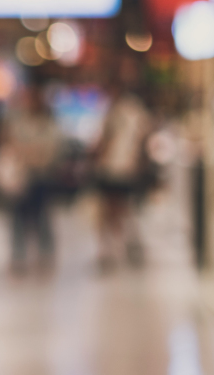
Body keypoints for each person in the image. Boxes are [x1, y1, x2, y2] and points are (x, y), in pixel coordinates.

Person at [94, 56, 153, 269]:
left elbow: (107, 140)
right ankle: (122, 246)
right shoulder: (128, 109)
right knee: (119, 208)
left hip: (117, 166)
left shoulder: (122, 110)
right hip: (122, 166)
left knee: (115, 209)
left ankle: (117, 248)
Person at [0, 84, 61, 275]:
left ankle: (45, 253)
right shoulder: (18, 121)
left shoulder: (48, 123)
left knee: (42, 216)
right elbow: (9, 142)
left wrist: (37, 155)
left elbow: (53, 148)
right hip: (21, 176)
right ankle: (19, 255)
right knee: (18, 217)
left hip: (41, 175)